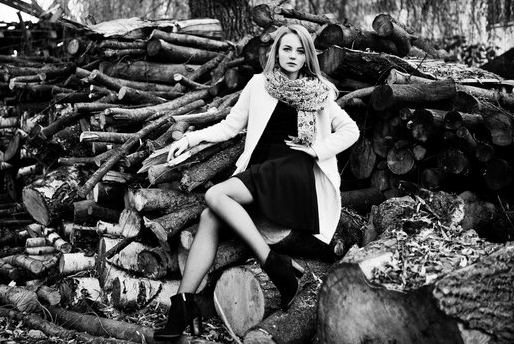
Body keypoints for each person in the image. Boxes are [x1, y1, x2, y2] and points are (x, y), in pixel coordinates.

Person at [154, 24, 360, 340]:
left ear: (308, 56)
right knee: (211, 215)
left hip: (295, 171)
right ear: (276, 52)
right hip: (262, 171)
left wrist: (316, 149)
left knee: (215, 194)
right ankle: (183, 303)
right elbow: (229, 126)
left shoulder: (319, 91)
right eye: (286, 49)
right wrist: (192, 138)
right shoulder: (259, 85)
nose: (292, 55)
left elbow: (351, 131)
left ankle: (272, 263)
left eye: (299, 50)